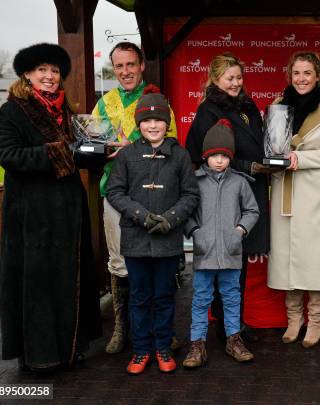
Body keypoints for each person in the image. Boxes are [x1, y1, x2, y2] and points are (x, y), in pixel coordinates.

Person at [0, 43, 101, 371]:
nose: (49, 76)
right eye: (42, 70)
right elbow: (9, 156)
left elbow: (74, 153)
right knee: (37, 284)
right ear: (27, 74)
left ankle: (70, 348)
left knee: (68, 280)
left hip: (66, 213)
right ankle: (40, 356)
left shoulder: (66, 110)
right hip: (32, 215)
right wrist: (60, 152)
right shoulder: (10, 111)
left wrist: (97, 152)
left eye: (54, 71)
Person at [92, 42, 180, 354]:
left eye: (131, 65)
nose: (125, 71)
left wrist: (129, 146)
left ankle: (161, 331)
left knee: (156, 261)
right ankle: (122, 328)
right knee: (119, 263)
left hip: (154, 195)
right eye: (119, 66)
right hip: (115, 193)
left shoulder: (155, 100)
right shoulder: (105, 103)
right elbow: (92, 143)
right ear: (113, 69)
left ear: (141, 65)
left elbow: (172, 143)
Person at [106, 93, 200, 375]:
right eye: (147, 121)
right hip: (135, 240)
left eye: (159, 120)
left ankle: (162, 346)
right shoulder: (128, 155)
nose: (153, 125)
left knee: (163, 296)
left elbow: (191, 194)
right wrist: (141, 215)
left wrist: (170, 219)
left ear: (166, 122)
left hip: (167, 241)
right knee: (139, 296)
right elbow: (115, 192)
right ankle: (141, 350)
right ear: (139, 124)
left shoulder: (180, 155)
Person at [186, 52, 270, 343]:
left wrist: (268, 160)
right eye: (229, 78)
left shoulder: (248, 105)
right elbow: (204, 155)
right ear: (215, 79)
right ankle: (224, 325)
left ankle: (234, 324)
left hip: (250, 187)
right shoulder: (208, 110)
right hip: (222, 194)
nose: (235, 83)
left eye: (239, 77)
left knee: (239, 260)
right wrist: (247, 166)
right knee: (222, 261)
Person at [267, 51, 320, 348]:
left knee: (314, 259)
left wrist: (298, 157)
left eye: (307, 73)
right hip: (285, 189)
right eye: (296, 73)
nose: (301, 79)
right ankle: (293, 318)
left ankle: (316, 320)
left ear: (317, 76)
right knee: (287, 256)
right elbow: (272, 147)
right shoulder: (277, 106)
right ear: (290, 75)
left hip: (313, 193)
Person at [183, 119, 260, 368]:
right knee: (201, 298)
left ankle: (234, 340)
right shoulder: (194, 182)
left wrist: (239, 231)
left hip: (231, 253)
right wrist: (195, 232)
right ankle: (197, 344)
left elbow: (252, 211)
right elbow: (187, 213)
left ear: (230, 158)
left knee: (231, 297)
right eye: (214, 155)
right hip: (205, 253)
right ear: (205, 156)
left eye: (224, 156)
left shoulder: (239, 182)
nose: (219, 160)